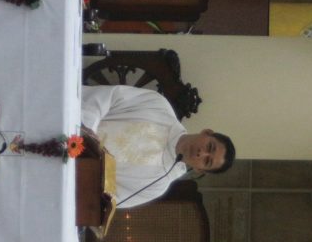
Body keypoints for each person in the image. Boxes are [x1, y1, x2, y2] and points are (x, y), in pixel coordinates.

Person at [81, 85, 236, 208]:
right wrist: (86, 131)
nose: (201, 153)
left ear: (199, 169)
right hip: (75, 123)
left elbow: (108, 199)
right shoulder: (157, 106)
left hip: (76, 170)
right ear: (206, 132)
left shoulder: (156, 185)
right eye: (210, 147)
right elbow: (110, 97)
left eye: (207, 161)